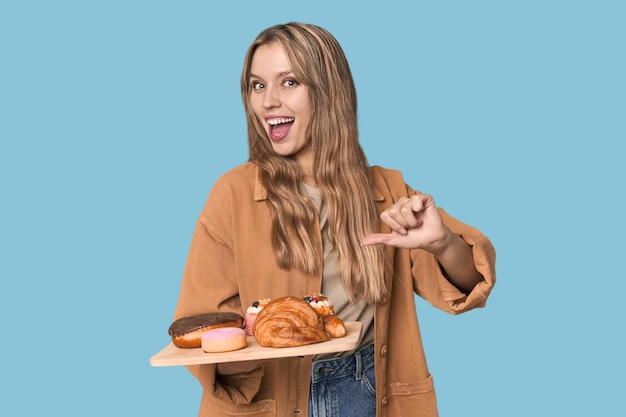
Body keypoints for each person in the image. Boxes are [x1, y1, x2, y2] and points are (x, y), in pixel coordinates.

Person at [172, 22, 496, 417]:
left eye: (288, 82)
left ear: (327, 94)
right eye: (257, 86)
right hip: (272, 397)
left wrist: (441, 242)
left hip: (368, 392)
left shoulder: (388, 192)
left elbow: (470, 286)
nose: (268, 101)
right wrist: (252, 346)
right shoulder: (233, 194)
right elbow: (201, 330)